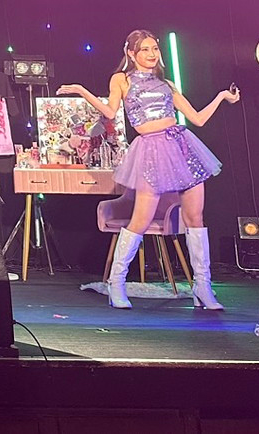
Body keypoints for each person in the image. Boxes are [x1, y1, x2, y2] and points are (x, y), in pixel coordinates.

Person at [59, 29, 239, 310]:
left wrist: (221, 97)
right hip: (151, 151)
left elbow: (198, 119)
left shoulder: (166, 84)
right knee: (140, 220)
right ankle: (116, 283)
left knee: (195, 217)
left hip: (182, 146)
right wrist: (82, 91)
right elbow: (110, 112)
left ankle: (202, 287)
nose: (152, 53)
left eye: (155, 48)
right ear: (131, 53)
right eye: (145, 49)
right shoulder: (122, 79)